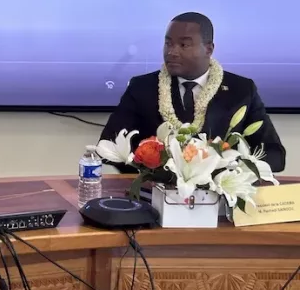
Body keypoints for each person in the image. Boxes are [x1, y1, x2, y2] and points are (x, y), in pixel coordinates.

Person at [100, 12, 285, 173]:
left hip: (220, 196)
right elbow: (108, 145)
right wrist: (153, 171)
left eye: (183, 45)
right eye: (168, 43)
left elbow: (275, 155)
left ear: (209, 49)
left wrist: (226, 169)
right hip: (155, 193)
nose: (171, 52)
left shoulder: (242, 90)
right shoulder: (142, 87)